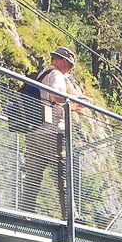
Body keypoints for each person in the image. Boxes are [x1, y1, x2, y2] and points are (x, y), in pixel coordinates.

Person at [19, 46, 83, 215]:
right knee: (62, 173)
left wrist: (72, 105)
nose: (70, 70)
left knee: (33, 175)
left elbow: (50, 101)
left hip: (34, 132)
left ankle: (26, 213)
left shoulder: (42, 75)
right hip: (52, 132)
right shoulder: (56, 75)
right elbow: (56, 96)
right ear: (62, 61)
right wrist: (74, 99)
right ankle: (70, 215)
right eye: (69, 65)